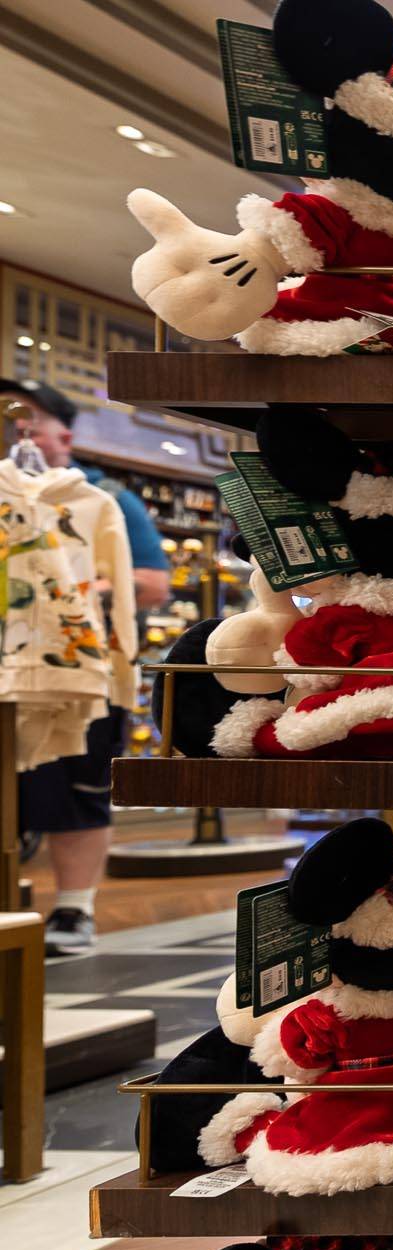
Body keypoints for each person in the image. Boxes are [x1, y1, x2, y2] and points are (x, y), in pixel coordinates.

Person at [0, 380, 172, 955]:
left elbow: (152, 584)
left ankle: (75, 907)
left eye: (27, 417)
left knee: (77, 790)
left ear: (62, 434)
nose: (15, 427)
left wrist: (73, 590)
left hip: (82, 667)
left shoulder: (105, 499)